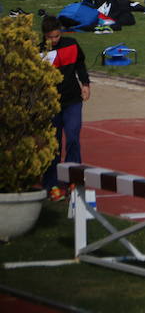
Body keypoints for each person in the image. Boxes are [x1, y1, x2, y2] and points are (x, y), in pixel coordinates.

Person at [40, 15, 91, 202]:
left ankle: (73, 179)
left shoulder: (72, 44)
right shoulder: (39, 52)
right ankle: (51, 183)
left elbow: (80, 65)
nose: (54, 40)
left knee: (73, 137)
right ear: (44, 36)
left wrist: (85, 84)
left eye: (57, 35)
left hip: (72, 100)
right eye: (50, 37)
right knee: (53, 144)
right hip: (51, 103)